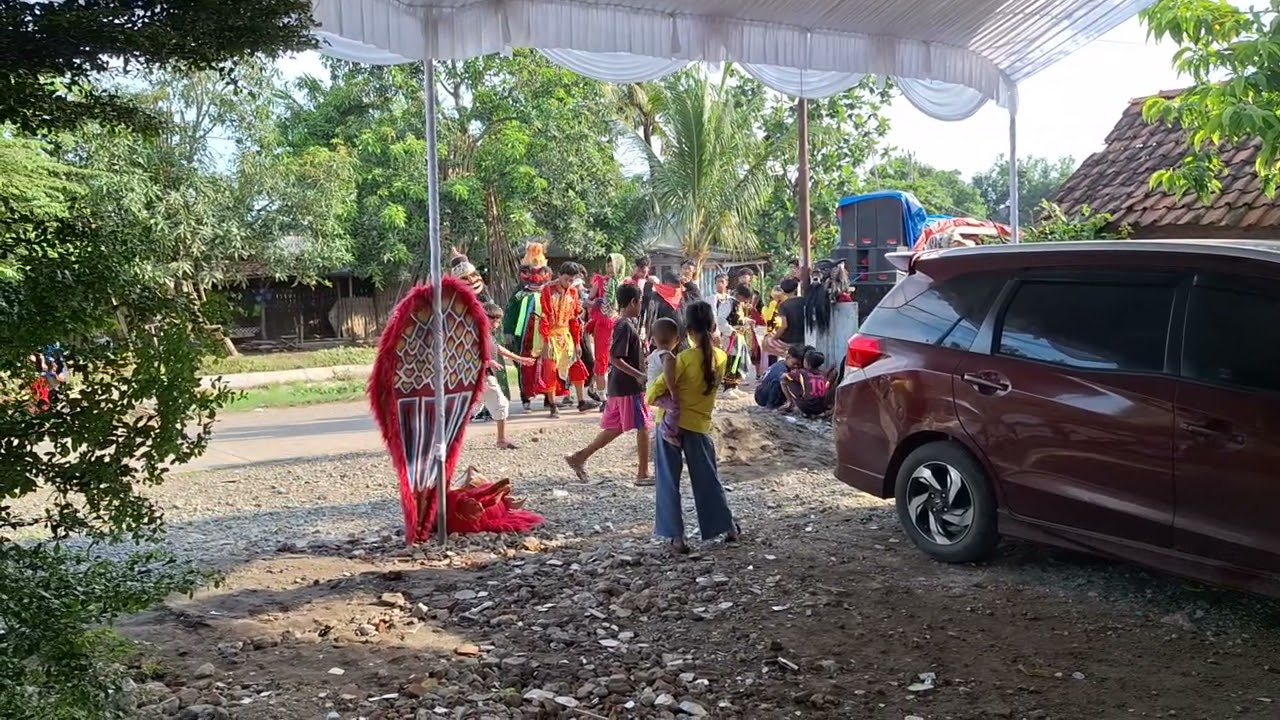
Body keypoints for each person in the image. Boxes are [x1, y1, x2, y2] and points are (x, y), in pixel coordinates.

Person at [646, 301, 740, 554]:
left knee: (668, 482)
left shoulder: (681, 359)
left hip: (669, 425)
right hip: (699, 425)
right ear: (712, 326)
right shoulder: (720, 357)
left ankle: (677, 537)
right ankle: (727, 526)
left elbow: (656, 391)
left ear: (687, 330)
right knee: (708, 479)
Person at [564, 284, 652, 486]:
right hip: (628, 386)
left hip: (618, 386)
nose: (640, 307)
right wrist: (638, 374)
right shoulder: (624, 325)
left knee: (616, 427)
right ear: (633, 302)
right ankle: (643, 473)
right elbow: (614, 357)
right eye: (640, 303)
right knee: (643, 426)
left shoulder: (621, 324)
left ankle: (579, 457)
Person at [539, 262, 596, 417]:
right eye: (566, 279)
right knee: (550, 370)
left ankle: (581, 401)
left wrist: (577, 342)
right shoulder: (547, 290)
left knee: (577, 365)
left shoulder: (572, 293)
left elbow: (574, 320)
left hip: (567, 335)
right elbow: (544, 317)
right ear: (559, 276)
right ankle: (552, 404)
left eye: (571, 280)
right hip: (551, 335)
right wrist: (545, 342)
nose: (569, 283)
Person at [481, 303, 537, 448]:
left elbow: (497, 348)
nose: (496, 324)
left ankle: (501, 439)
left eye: (498, 321)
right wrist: (486, 362)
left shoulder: (487, 334)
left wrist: (520, 359)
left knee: (498, 406)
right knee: (497, 405)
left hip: (486, 378)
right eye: (493, 320)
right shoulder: (473, 334)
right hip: (478, 378)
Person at [587, 254, 628, 405]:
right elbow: (588, 300)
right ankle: (603, 397)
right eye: (608, 265)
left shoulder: (625, 284)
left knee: (619, 359)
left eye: (613, 266)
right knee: (601, 360)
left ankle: (615, 393)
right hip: (603, 325)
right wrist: (596, 302)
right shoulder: (600, 281)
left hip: (619, 325)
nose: (610, 269)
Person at [646, 317, 682, 448]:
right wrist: (673, 390)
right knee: (675, 407)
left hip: (651, 390)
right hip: (657, 394)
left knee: (667, 409)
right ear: (677, 340)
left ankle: (661, 429)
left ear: (654, 341)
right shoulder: (668, 356)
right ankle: (667, 432)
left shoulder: (654, 354)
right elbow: (668, 375)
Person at [754, 343, 809, 409]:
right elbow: (781, 381)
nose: (796, 367)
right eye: (795, 364)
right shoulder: (781, 369)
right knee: (778, 382)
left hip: (764, 391)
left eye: (799, 365)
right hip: (762, 396)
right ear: (788, 357)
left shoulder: (783, 363)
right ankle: (771, 406)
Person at [780, 349, 830, 417]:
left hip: (806, 407)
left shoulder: (802, 373)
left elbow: (785, 376)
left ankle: (790, 402)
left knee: (784, 379)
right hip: (820, 408)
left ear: (807, 364)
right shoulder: (823, 374)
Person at [764, 278, 806, 358]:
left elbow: (784, 325)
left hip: (788, 340)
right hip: (804, 337)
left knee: (767, 343)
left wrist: (774, 337)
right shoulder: (804, 301)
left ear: (782, 291)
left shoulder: (783, 305)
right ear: (796, 289)